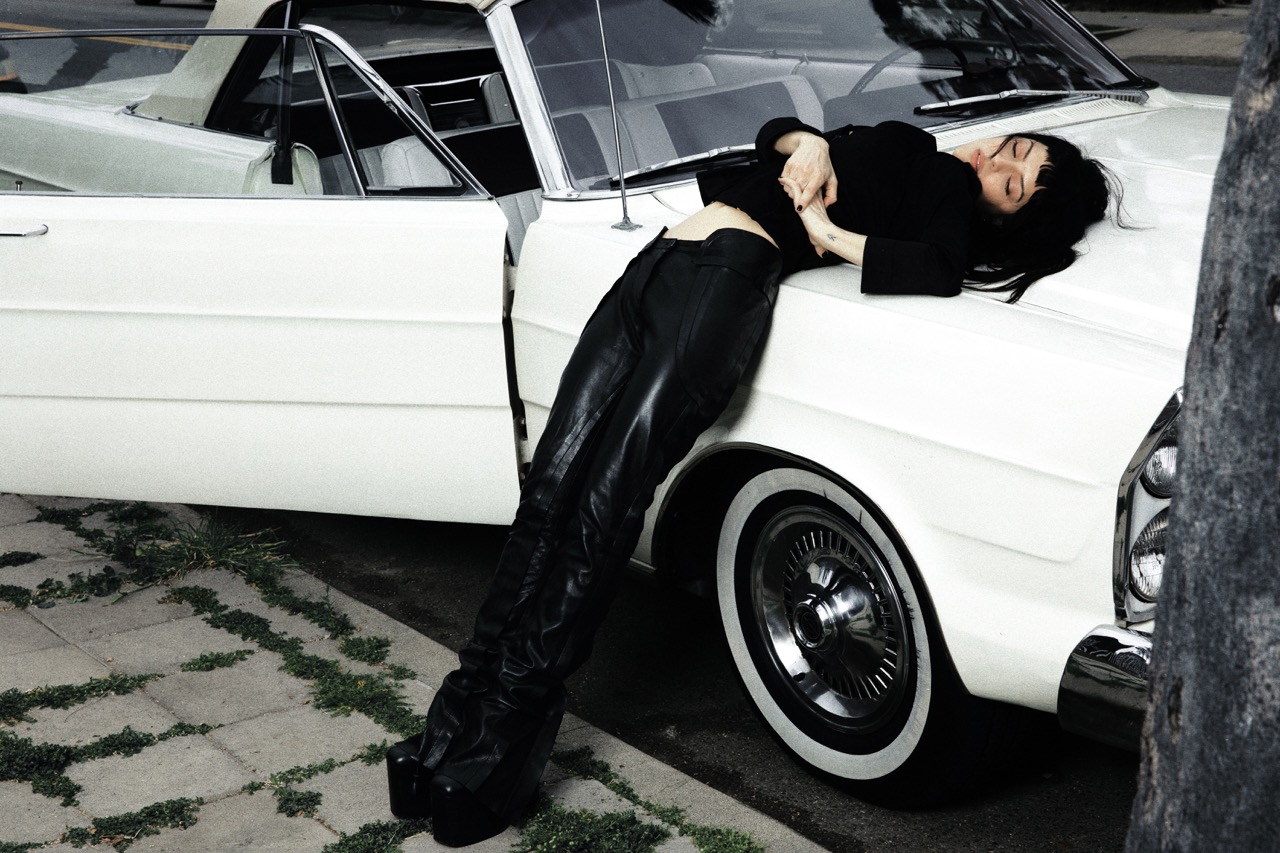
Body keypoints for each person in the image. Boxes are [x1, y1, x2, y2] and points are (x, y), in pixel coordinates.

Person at [386, 115, 1116, 847]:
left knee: (600, 511)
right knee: (549, 493)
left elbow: (938, 267)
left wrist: (823, 229)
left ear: (1002, 216)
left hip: (723, 279)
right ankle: (454, 723)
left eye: (1012, 184)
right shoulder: (916, 148)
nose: (994, 160)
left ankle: (496, 743)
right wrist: (813, 145)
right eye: (1015, 149)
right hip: (660, 262)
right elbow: (774, 134)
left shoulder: (948, 186)